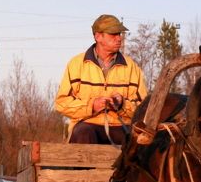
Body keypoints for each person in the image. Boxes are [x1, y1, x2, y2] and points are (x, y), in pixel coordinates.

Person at [54, 14, 148, 145]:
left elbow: (144, 108)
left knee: (137, 142)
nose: (119, 38)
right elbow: (62, 103)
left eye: (119, 34)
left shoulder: (131, 66)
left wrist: (123, 105)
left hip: (121, 126)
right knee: (84, 133)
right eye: (113, 34)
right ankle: (86, 166)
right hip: (87, 124)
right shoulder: (76, 64)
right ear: (98, 36)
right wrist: (92, 106)